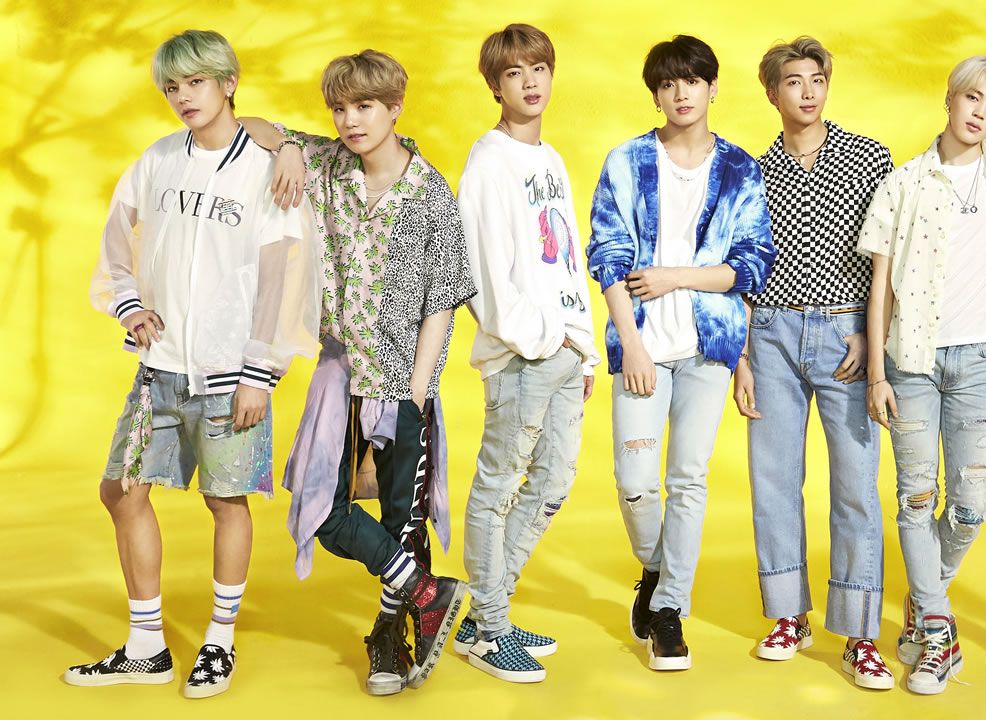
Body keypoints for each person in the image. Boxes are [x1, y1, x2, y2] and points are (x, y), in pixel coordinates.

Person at [68, 29, 319, 699]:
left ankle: (219, 640)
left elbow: (284, 276)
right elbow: (117, 238)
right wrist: (129, 305)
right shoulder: (156, 160)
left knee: (225, 499)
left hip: (231, 375)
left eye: (197, 82)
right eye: (172, 86)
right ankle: (146, 645)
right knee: (121, 491)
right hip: (160, 368)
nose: (183, 96)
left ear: (228, 83)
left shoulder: (267, 169)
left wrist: (260, 372)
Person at [241, 48, 473, 696]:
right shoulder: (327, 164)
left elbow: (441, 303)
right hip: (339, 375)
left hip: (402, 380)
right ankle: (428, 592)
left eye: (364, 106)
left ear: (395, 107)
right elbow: (246, 125)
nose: (350, 120)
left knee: (405, 522)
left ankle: (388, 640)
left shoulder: (430, 194)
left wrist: (417, 394)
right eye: (339, 108)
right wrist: (289, 145)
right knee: (321, 508)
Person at [588, 34, 776, 672]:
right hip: (642, 345)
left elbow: (750, 265)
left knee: (689, 479)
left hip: (707, 350)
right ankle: (656, 568)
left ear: (712, 87)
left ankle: (669, 610)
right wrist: (633, 346)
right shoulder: (626, 161)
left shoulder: (741, 169)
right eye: (668, 84)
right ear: (656, 95)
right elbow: (607, 256)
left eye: (692, 81)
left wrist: (674, 277)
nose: (681, 93)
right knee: (637, 483)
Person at [736, 36, 895, 689]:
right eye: (793, 81)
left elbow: (887, 255)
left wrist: (869, 335)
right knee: (773, 480)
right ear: (771, 92)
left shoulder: (869, 158)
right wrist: (743, 354)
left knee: (855, 484)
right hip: (770, 333)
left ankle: (859, 635)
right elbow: (743, 264)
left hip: (845, 334)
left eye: (817, 79)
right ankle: (788, 615)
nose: (807, 91)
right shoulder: (751, 171)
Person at [455, 23, 600, 684]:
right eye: (514, 73)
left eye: (538, 68)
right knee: (498, 486)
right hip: (522, 355)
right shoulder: (489, 163)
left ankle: (487, 613)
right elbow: (483, 276)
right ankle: (489, 630)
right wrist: (542, 339)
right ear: (495, 86)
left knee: (552, 483)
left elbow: (567, 260)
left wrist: (583, 349)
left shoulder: (551, 158)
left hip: (564, 351)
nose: (530, 82)